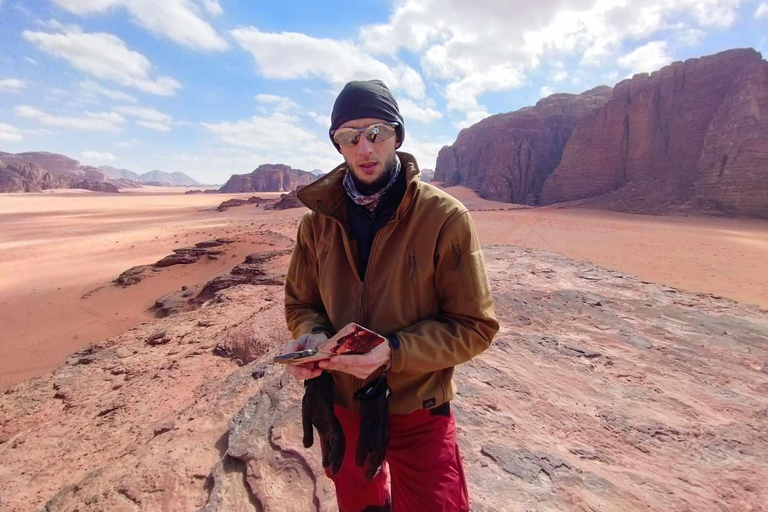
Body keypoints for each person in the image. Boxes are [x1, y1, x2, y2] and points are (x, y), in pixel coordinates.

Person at [281, 79, 499, 512]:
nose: (365, 148)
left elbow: (475, 326)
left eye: (377, 133)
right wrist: (311, 339)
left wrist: (393, 352)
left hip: (418, 408)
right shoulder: (316, 224)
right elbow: (301, 305)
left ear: (397, 136)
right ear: (338, 145)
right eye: (351, 137)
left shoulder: (444, 218)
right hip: (341, 404)